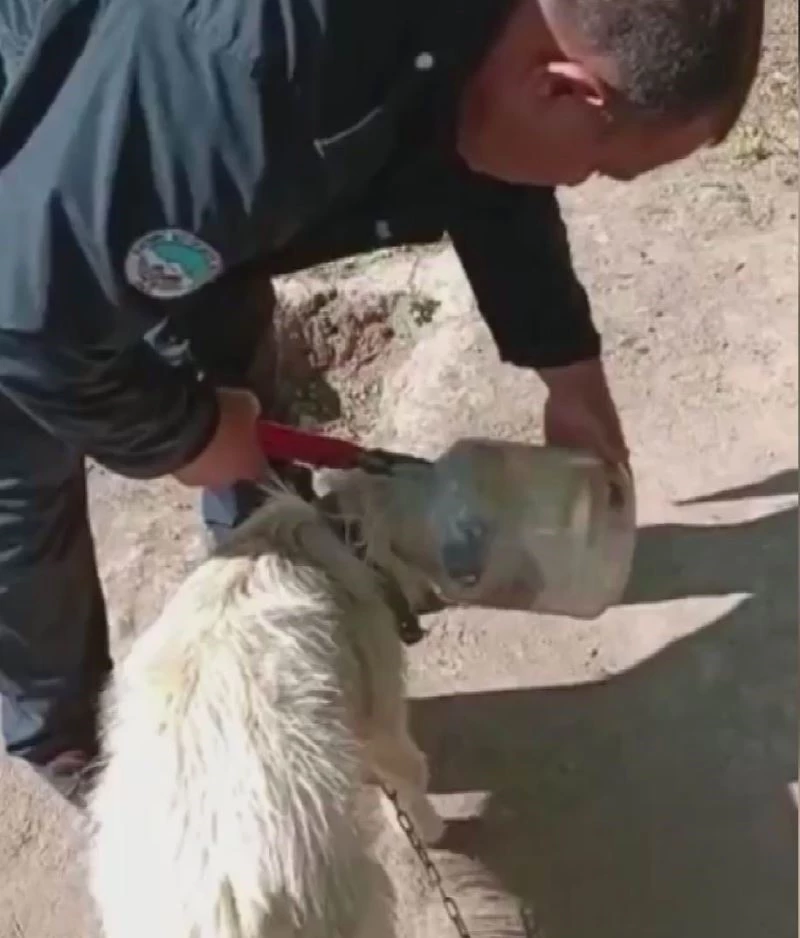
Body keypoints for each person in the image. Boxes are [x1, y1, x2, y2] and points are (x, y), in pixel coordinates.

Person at [0, 0, 763, 799]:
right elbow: (24, 324)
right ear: (565, 87)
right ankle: (79, 749)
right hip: (42, 125)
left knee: (223, 330)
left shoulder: (492, 45)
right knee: (23, 453)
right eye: (600, 167)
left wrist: (569, 369)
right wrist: (182, 436)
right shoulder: (243, 78)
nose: (577, 181)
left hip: (182, 132)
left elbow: (489, 168)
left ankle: (281, 605)